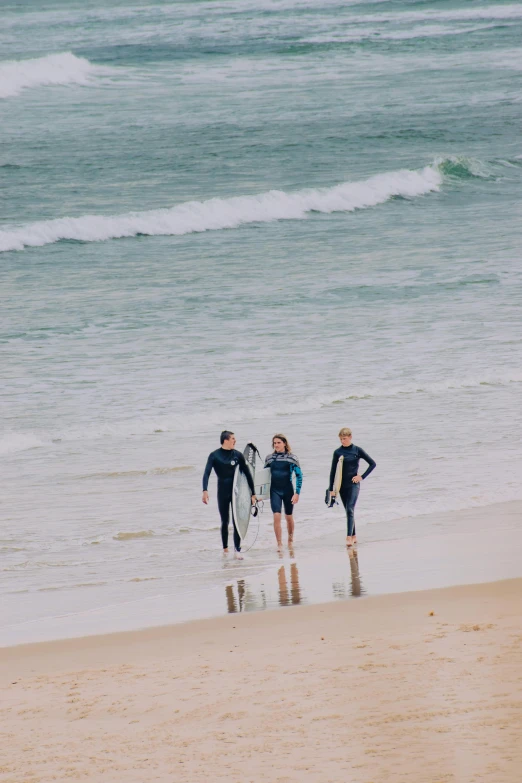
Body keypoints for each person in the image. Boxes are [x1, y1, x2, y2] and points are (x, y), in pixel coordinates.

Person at [202, 431, 256, 558]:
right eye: (233, 438)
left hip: (237, 493)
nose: (235, 441)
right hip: (222, 492)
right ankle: (225, 550)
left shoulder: (237, 455)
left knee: (237, 520)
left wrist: (253, 494)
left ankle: (237, 549)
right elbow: (206, 474)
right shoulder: (214, 455)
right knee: (224, 521)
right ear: (225, 440)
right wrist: (205, 490)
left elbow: (248, 474)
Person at [329, 427, 376, 548]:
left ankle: (348, 537)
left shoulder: (357, 450)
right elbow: (333, 471)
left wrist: (361, 477)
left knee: (350, 509)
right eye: (340, 439)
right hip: (341, 486)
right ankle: (354, 536)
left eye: (344, 439)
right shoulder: (337, 452)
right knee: (348, 511)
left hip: (353, 485)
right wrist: (331, 489)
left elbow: (372, 464)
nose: (342, 441)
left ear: (350, 437)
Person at [264, 434, 302, 549]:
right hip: (274, 490)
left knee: (289, 517)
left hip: (288, 490)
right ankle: (279, 543)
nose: (276, 445)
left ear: (284, 443)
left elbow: (299, 476)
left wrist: (297, 493)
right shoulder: (269, 458)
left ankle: (290, 539)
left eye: (278, 442)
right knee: (276, 515)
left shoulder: (292, 458)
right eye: (274, 443)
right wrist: (260, 494)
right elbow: (264, 478)